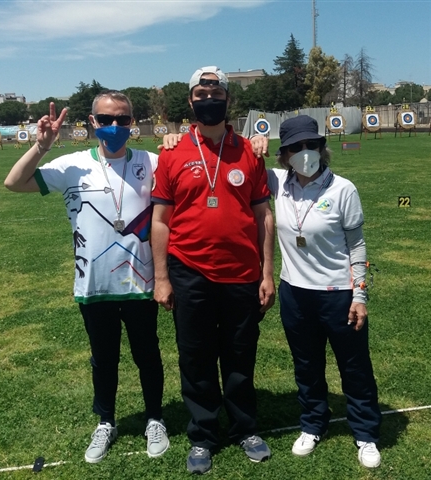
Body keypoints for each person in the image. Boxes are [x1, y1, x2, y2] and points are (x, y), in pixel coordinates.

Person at [4, 92, 175, 464]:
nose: (115, 127)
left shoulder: (154, 162)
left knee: (148, 355)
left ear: (133, 122)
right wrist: (40, 146)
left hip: (141, 284)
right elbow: (13, 183)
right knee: (104, 358)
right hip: (93, 285)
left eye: (123, 119)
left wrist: (176, 141)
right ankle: (106, 421)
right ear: (91, 121)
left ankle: (154, 418)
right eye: (106, 119)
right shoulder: (72, 165)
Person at [151, 66, 275, 475]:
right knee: (196, 355)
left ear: (228, 100)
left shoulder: (250, 151)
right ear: (190, 101)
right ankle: (203, 434)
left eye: (216, 92)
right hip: (189, 271)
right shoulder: (171, 153)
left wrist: (267, 271)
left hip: (241, 272)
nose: (209, 99)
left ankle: (244, 428)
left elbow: (264, 216)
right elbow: (161, 221)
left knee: (240, 354)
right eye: (201, 94)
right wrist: (163, 277)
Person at [266, 115, 382, 469]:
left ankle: (365, 433)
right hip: (294, 293)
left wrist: (359, 296)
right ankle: (312, 424)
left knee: (354, 366)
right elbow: (237, 158)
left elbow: (357, 246)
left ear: (322, 147)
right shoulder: (277, 183)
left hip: (338, 294)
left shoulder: (342, 189)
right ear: (284, 154)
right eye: (296, 147)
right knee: (307, 365)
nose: (305, 153)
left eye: (311, 144)